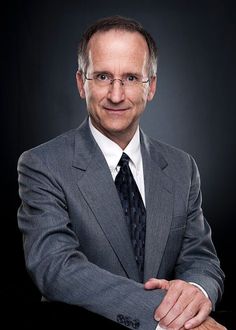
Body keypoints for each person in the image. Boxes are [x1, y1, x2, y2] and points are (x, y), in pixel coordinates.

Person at [17, 15, 226, 330]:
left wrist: (197, 291)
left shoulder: (183, 167)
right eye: (102, 76)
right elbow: (56, 268)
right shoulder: (42, 165)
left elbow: (201, 259)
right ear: (80, 83)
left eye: (130, 78)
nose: (116, 95)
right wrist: (173, 319)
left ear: (151, 86)